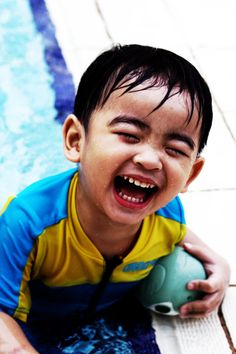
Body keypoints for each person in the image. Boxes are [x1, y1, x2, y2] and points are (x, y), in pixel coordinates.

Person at [0, 44, 230, 353]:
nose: (150, 160)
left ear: (190, 175)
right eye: (130, 135)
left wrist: (221, 266)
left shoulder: (167, 218)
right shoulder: (26, 225)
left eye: (175, 150)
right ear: (75, 140)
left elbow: (174, 228)